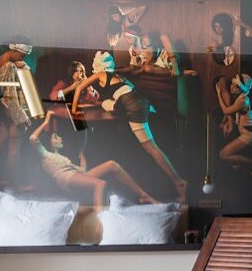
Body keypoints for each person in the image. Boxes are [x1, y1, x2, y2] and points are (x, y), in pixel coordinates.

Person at [70, 51, 188, 202]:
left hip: (131, 104)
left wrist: (74, 109)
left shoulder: (100, 74)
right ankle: (177, 183)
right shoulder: (116, 75)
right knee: (149, 147)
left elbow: (79, 88)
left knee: (151, 148)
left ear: (98, 67)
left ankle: (179, 182)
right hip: (140, 100)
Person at [29, 113, 156, 210]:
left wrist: (82, 154)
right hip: (65, 179)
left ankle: (143, 195)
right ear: (48, 143)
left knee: (112, 165)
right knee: (100, 184)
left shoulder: (64, 158)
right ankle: (100, 220)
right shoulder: (45, 155)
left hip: (73, 177)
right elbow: (33, 138)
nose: (60, 138)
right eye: (56, 137)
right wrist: (47, 120)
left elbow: (83, 171)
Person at [0, 40, 35, 185]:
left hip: (6, 109)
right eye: (21, 56)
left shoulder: (5, 61)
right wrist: (21, 116)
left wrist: (21, 65)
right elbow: (10, 94)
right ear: (14, 51)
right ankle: (14, 182)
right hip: (13, 110)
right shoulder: (8, 65)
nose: (23, 59)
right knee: (14, 148)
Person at [217, 72, 252, 177]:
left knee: (222, 155)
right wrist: (227, 123)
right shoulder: (242, 97)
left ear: (242, 88)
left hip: (249, 136)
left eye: (236, 86)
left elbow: (226, 111)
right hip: (249, 132)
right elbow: (235, 115)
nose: (232, 87)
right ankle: (239, 164)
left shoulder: (244, 101)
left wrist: (219, 93)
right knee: (233, 164)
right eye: (232, 84)